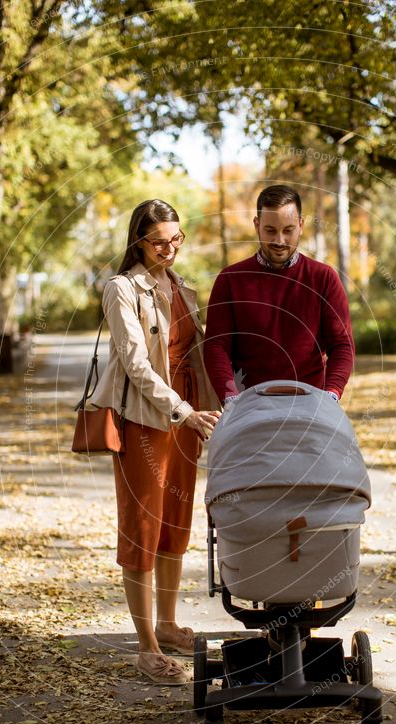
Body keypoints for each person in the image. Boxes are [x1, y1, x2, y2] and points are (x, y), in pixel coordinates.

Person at [90, 199, 221, 685]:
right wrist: (183, 411)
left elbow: (201, 350)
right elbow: (134, 363)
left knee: (173, 526)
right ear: (137, 241)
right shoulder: (121, 289)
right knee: (141, 532)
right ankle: (145, 648)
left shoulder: (182, 286)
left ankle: (166, 625)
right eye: (159, 241)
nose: (170, 249)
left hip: (187, 420)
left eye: (176, 239)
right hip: (146, 420)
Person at [203, 184, 354, 405]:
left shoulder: (324, 278)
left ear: (301, 225)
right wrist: (230, 398)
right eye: (271, 230)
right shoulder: (230, 279)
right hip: (248, 405)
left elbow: (342, 344)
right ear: (257, 225)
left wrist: (331, 394)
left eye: (288, 230)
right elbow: (216, 346)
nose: (280, 241)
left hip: (311, 403)